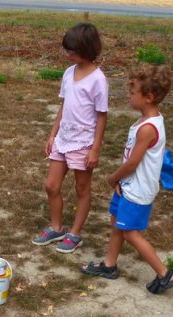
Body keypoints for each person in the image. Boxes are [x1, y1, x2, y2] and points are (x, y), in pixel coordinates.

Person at [81, 63, 173, 294]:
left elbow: (133, 163)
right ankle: (109, 264)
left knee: (129, 232)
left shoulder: (148, 128)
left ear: (149, 96)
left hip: (137, 190)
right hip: (127, 186)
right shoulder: (146, 121)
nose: (128, 95)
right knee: (117, 222)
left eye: (132, 92)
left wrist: (113, 177)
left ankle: (165, 274)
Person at [32, 23, 108, 253]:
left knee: (82, 189)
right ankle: (57, 227)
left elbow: (102, 117)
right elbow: (63, 106)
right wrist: (52, 134)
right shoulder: (68, 73)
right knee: (51, 185)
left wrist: (95, 149)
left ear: (86, 49)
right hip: (63, 139)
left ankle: (75, 234)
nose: (68, 54)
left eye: (72, 50)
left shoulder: (98, 80)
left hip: (83, 143)